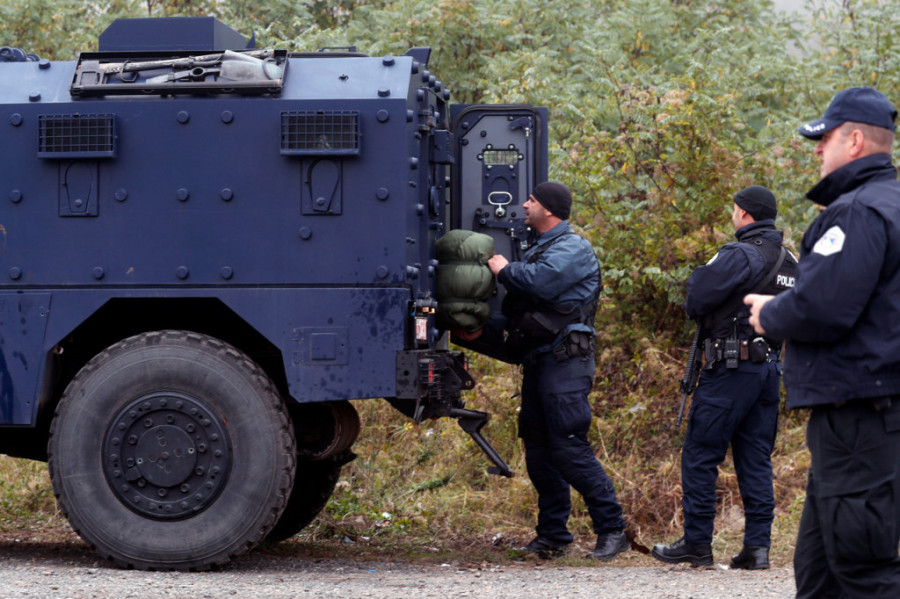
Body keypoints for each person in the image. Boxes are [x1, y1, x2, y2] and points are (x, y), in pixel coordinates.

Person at [745, 87, 900, 598]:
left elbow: (824, 306)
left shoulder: (858, 211)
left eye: (825, 138)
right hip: (862, 415)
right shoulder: (890, 205)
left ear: (854, 141)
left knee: (862, 569)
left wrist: (770, 312)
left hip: (861, 412)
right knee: (820, 571)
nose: (817, 150)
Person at [458, 181, 628, 560]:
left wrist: (502, 269)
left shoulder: (572, 249)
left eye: (531, 200)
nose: (524, 204)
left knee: (568, 447)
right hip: (541, 362)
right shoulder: (541, 247)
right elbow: (525, 316)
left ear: (548, 209)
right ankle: (553, 535)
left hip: (566, 363)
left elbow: (538, 283)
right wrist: (479, 331)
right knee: (538, 451)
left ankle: (613, 530)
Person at [651, 186, 797, 569]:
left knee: (701, 454)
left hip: (731, 369)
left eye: (735, 210)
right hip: (769, 372)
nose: (733, 216)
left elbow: (696, 298)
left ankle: (697, 544)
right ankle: (757, 548)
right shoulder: (790, 261)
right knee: (755, 458)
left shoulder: (738, 254)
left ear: (745, 214)